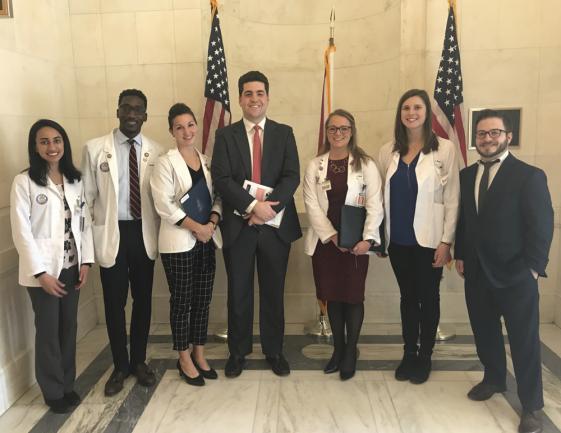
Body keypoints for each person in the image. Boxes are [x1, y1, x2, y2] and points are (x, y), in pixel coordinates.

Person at [455, 109, 553, 433]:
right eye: (482, 134)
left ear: (508, 136)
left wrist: (534, 269)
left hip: (516, 275)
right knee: (485, 333)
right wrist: (461, 255)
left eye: (494, 132)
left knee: (524, 342)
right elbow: (466, 220)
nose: (487, 138)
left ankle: (532, 406)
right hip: (478, 273)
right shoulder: (467, 175)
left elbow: (542, 225)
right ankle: (494, 378)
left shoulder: (529, 175)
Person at [211, 70, 302, 378]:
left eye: (260, 93)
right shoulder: (225, 135)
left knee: (273, 292)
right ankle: (238, 352)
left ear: (268, 97)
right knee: (238, 292)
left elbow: (292, 176)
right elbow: (222, 178)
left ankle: (274, 350)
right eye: (248, 93)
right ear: (239, 99)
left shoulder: (284, 132)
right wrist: (251, 206)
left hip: (275, 229)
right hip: (239, 227)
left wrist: (267, 209)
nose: (254, 98)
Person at [82, 89, 163, 396]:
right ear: (117, 111)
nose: (132, 114)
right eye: (126, 108)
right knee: (115, 304)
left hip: (143, 234)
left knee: (143, 302)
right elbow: (86, 201)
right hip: (111, 234)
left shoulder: (156, 151)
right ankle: (119, 366)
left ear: (145, 115)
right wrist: (89, 248)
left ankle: (139, 362)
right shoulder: (94, 149)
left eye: (138, 110)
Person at [11, 119, 94, 413]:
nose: (52, 146)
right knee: (48, 331)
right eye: (44, 141)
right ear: (35, 147)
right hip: (44, 272)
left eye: (57, 140)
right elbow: (21, 232)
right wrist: (41, 273)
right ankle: (52, 389)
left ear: (64, 144)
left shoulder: (75, 179)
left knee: (68, 328)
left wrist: (86, 261)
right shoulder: (24, 182)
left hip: (71, 266)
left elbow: (83, 223)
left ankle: (67, 384)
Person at [378, 89, 459, 384]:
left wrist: (446, 241)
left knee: (429, 297)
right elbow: (379, 198)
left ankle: (425, 356)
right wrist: (378, 237)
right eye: (406, 108)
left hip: (430, 241)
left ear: (426, 113)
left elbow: (453, 198)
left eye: (417, 108)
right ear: (400, 114)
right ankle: (408, 353)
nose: (411, 113)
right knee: (407, 298)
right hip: (398, 239)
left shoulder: (445, 149)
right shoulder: (388, 151)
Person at [303, 109, 384, 380]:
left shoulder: (366, 164)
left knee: (352, 296)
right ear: (326, 132)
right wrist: (332, 236)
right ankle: (337, 350)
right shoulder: (315, 166)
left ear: (352, 131)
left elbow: (375, 204)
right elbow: (311, 205)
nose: (338, 133)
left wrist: (368, 239)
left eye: (344, 128)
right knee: (332, 296)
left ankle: (350, 351)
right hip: (327, 243)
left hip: (357, 243)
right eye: (333, 129)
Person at [150, 103, 222, 387]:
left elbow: (218, 197)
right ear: (171, 131)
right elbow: (164, 205)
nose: (186, 131)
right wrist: (198, 228)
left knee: (202, 301)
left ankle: (199, 353)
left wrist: (212, 225)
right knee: (182, 302)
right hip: (179, 243)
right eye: (179, 127)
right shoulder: (164, 162)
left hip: (206, 240)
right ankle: (183, 357)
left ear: (197, 126)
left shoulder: (206, 161)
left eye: (190, 124)